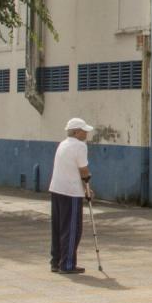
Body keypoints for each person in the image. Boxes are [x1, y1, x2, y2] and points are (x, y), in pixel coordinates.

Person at [49, 117, 94, 274]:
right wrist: (87, 187)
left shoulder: (63, 144)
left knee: (58, 227)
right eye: (84, 131)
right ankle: (67, 264)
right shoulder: (80, 146)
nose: (86, 133)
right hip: (71, 192)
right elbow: (83, 170)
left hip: (56, 189)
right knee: (72, 228)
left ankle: (56, 261)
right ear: (76, 132)